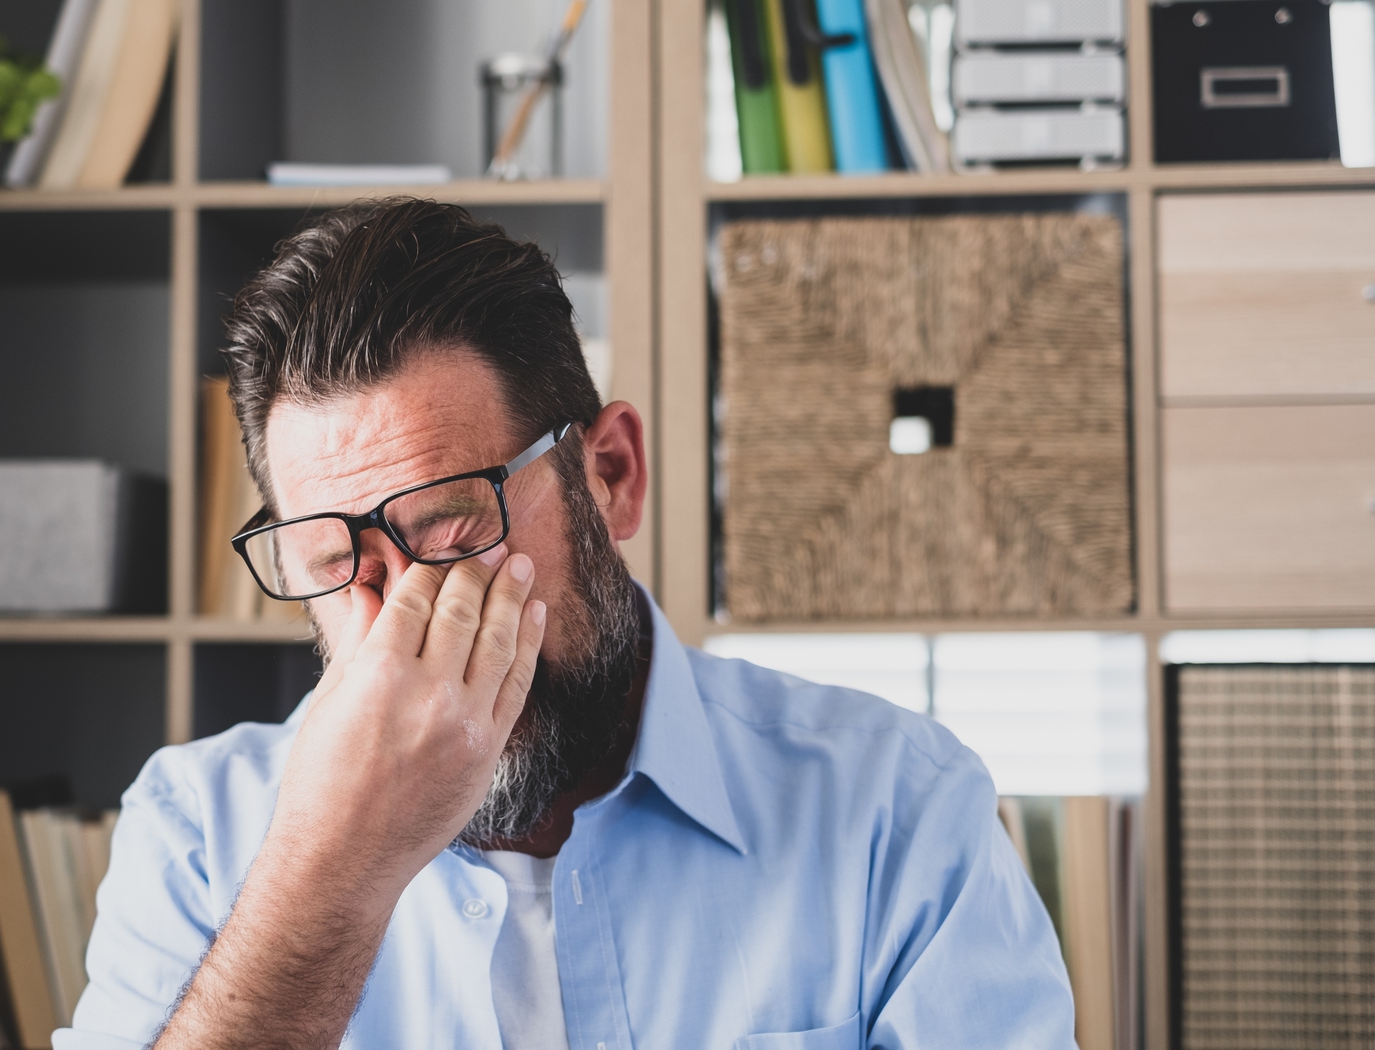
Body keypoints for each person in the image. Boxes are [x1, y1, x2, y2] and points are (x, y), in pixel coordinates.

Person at [55, 198, 1076, 1050]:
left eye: (453, 526)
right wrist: (333, 871)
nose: (402, 625)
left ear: (611, 478)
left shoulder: (896, 814)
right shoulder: (196, 832)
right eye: (335, 564)